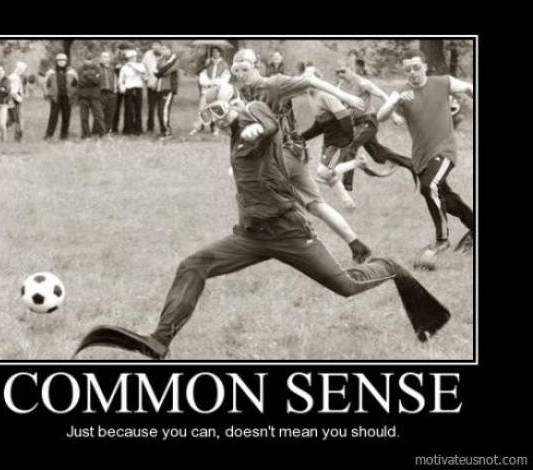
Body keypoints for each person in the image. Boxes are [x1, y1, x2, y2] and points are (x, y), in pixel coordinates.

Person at [74, 84, 451, 360]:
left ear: (235, 102)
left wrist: (256, 127)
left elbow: (268, 123)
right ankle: (159, 341)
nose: (216, 119)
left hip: (289, 233)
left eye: (219, 110)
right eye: (209, 114)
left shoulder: (254, 113)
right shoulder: (233, 134)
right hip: (252, 236)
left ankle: (390, 268)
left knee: (346, 286)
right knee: (193, 265)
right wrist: (233, 126)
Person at [230, 49, 371, 258]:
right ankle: (357, 245)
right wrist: (241, 111)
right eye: (237, 70)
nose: (241, 74)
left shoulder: (275, 83)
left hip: (285, 151)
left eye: (245, 69)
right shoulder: (245, 92)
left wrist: (344, 96)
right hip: (285, 154)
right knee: (315, 205)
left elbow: (310, 81)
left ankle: (272, 235)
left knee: (257, 187)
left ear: (256, 66)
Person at [378, 49, 474, 256]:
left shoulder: (442, 82)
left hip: (445, 150)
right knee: (445, 198)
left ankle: (442, 240)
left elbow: (468, 88)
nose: (412, 72)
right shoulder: (402, 93)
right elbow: (380, 116)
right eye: (408, 69)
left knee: (429, 186)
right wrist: (395, 102)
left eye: (416, 67)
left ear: (425, 67)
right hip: (421, 157)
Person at [333, 66, 414, 191]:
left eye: (343, 71)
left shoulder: (362, 83)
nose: (341, 74)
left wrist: (393, 115)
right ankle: (410, 164)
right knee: (377, 154)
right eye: (338, 72)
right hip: (356, 124)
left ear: (351, 69)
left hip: (368, 121)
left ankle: (346, 186)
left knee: (350, 145)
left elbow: (382, 95)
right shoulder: (341, 86)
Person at [299, 66, 368, 211]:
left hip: (338, 142)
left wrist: (346, 140)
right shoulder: (311, 96)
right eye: (304, 77)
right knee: (327, 175)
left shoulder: (325, 95)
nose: (307, 80)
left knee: (323, 173)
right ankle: (347, 202)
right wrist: (302, 137)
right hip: (329, 141)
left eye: (311, 77)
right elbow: (320, 125)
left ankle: (357, 163)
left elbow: (345, 117)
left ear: (319, 79)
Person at [190, 46, 230, 136]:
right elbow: (202, 75)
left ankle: (216, 128)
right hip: (206, 90)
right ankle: (197, 127)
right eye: (213, 52)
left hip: (217, 90)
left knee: (216, 109)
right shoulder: (207, 63)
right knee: (202, 109)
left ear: (220, 53)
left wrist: (216, 83)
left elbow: (225, 77)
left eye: (217, 52)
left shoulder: (224, 65)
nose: (215, 54)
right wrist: (207, 83)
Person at [44, 53, 78, 140]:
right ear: (56, 61)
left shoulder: (72, 72)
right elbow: (45, 84)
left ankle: (64, 136)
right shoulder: (51, 72)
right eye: (59, 60)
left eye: (63, 60)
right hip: (56, 98)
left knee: (66, 117)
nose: (61, 62)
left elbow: (76, 85)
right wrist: (48, 95)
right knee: (53, 117)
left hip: (67, 98)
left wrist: (73, 95)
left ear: (66, 61)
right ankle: (48, 136)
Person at [118, 49, 146, 135]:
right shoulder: (124, 68)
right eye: (131, 57)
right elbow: (120, 79)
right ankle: (128, 129)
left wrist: (133, 66)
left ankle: (138, 129)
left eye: (134, 57)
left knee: (138, 109)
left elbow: (143, 72)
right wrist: (122, 87)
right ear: (128, 58)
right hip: (128, 89)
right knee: (128, 109)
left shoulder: (140, 65)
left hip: (138, 89)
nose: (133, 59)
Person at [77, 54, 105, 138]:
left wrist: (86, 75)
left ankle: (102, 134)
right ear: (84, 60)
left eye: (90, 59)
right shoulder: (80, 69)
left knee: (99, 116)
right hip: (83, 96)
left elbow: (97, 81)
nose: (88, 61)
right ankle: (86, 135)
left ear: (93, 60)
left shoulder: (97, 68)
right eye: (87, 59)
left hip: (95, 96)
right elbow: (81, 82)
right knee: (84, 117)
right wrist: (92, 76)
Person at [155, 46, 179, 139]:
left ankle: (167, 132)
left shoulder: (175, 59)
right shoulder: (162, 59)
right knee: (159, 111)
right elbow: (158, 68)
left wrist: (159, 72)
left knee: (164, 110)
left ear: (170, 50)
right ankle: (163, 131)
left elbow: (165, 71)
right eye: (162, 49)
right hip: (160, 88)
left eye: (165, 49)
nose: (163, 51)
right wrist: (159, 70)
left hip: (168, 88)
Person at [93, 51, 117, 135]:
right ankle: (96, 132)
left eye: (107, 57)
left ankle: (108, 131)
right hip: (100, 93)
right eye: (104, 57)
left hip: (111, 93)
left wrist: (115, 89)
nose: (106, 59)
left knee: (110, 113)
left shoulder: (112, 69)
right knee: (99, 113)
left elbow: (115, 79)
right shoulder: (97, 68)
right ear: (101, 58)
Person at [143, 42, 162, 134]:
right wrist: (146, 79)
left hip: (162, 85)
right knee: (151, 107)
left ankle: (163, 127)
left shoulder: (164, 54)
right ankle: (150, 127)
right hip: (151, 84)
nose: (155, 47)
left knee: (161, 107)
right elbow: (144, 68)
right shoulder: (147, 55)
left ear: (160, 46)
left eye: (157, 45)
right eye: (154, 46)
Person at [7, 61, 28, 142]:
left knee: (13, 119)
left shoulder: (12, 76)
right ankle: (18, 138)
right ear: (20, 69)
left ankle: (0, 130)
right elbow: (13, 92)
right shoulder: (16, 78)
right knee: (18, 120)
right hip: (15, 101)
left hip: (11, 100)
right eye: (23, 69)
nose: (23, 71)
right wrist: (19, 99)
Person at [112, 49, 128, 133]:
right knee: (116, 109)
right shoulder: (116, 66)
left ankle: (126, 128)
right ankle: (114, 128)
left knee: (127, 108)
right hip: (118, 88)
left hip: (127, 88)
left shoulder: (128, 65)